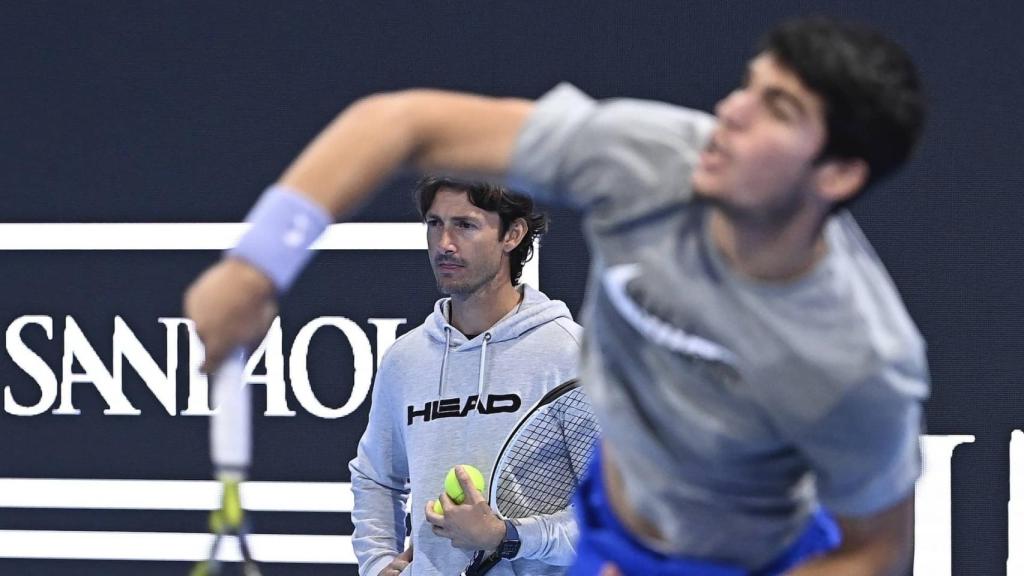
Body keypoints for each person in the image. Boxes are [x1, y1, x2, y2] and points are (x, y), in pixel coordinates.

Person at [185, 16, 928, 576]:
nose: (732, 111)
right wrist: (256, 266)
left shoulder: (861, 360)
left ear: (837, 175)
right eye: (749, 85)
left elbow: (876, 550)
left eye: (779, 109)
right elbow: (401, 122)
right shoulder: (650, 159)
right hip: (612, 536)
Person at [346, 176, 584, 576]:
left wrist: (506, 536)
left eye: (465, 225)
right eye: (435, 223)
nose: (444, 244)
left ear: (513, 234)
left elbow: (619, 520)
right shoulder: (404, 359)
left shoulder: (570, 354)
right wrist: (377, 564)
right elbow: (375, 478)